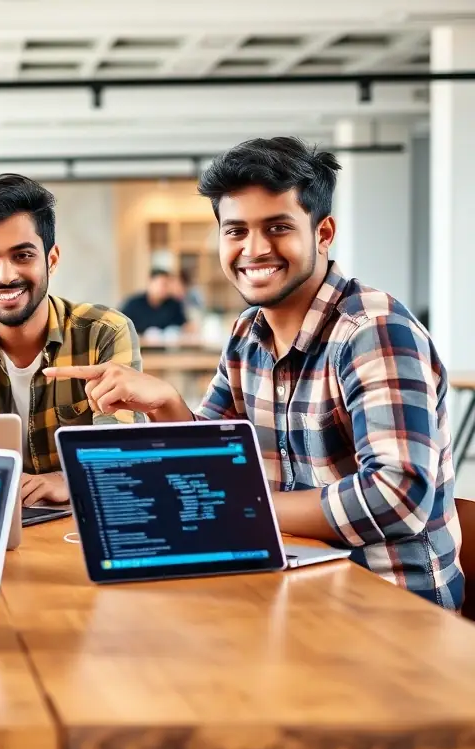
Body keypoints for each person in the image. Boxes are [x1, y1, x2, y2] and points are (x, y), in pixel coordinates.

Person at [45, 137, 462, 610]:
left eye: (278, 227)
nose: (254, 249)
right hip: (290, 584)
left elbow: (399, 496)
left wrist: (243, 506)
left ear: (323, 233)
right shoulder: (249, 333)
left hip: (388, 604)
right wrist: (166, 404)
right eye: (236, 230)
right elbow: (211, 466)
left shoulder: (373, 330)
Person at [0, 173, 142, 507]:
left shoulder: (104, 332)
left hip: (79, 515)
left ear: (51, 260)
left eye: (23, 255)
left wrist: (66, 479)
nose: (6, 276)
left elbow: (121, 458)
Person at [120, 269, 188, 335]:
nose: (165, 288)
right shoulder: (133, 304)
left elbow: (184, 326)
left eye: (168, 285)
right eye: (162, 284)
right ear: (150, 282)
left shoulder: (174, 304)